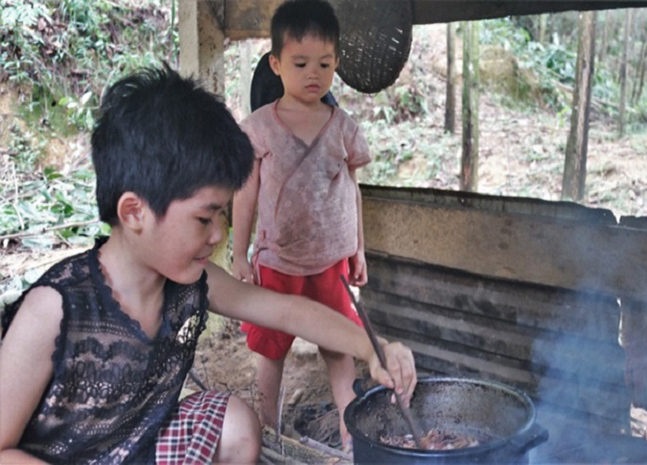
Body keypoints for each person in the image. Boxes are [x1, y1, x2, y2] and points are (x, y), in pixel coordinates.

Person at [0, 65, 417, 464]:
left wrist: (372, 348)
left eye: (222, 216)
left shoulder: (189, 282)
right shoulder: (54, 310)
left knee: (234, 423)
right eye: (205, 217)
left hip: (138, 449)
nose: (219, 234)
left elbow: (288, 311)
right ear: (134, 213)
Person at [232, 0, 372, 450]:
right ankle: (265, 438)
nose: (314, 73)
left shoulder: (344, 128)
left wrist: (359, 249)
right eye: (300, 62)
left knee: (341, 352)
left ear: (336, 64)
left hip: (331, 263)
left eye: (325, 63)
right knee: (271, 355)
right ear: (276, 64)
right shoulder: (260, 128)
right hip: (277, 264)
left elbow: (352, 191)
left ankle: (353, 445)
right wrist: (238, 253)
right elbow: (245, 193)